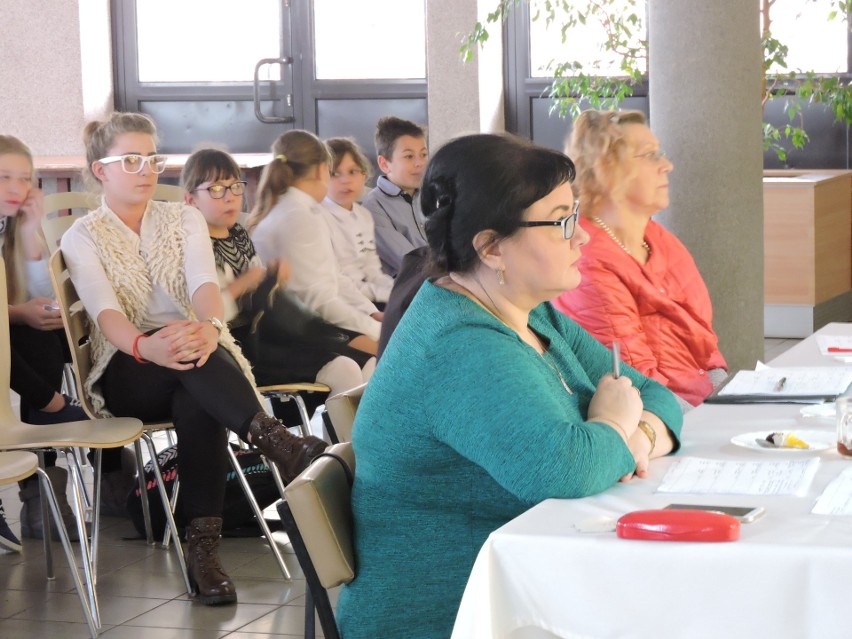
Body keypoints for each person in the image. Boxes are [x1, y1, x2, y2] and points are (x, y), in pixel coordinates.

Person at [336, 133, 683, 639]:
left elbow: (656, 397)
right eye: (562, 220)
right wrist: (611, 423)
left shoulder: (532, 313)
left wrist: (635, 438)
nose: (582, 236)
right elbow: (564, 470)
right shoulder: (458, 344)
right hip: (451, 616)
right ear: (492, 246)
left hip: (525, 594)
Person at [60, 112, 327, 606]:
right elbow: (105, 315)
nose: (146, 169)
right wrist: (147, 345)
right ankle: (282, 447)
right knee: (191, 365)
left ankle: (204, 556)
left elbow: (206, 284)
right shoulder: (82, 235)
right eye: (131, 159)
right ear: (102, 169)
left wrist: (209, 328)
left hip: (194, 349)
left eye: (152, 158)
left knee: (194, 393)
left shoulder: (181, 217)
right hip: (127, 364)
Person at [552, 109, 727, 410]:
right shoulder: (588, 261)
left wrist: (733, 394)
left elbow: (706, 347)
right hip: (665, 420)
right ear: (607, 168)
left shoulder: (659, 239)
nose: (667, 165)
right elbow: (637, 386)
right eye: (651, 155)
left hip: (705, 399)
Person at [181, 147, 374, 397]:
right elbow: (202, 315)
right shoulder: (193, 245)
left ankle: (359, 431)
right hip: (240, 346)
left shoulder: (239, 234)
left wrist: (272, 277)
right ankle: (350, 428)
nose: (229, 197)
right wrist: (244, 285)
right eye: (216, 189)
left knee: (365, 363)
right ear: (190, 200)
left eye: (235, 187)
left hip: (273, 334)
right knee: (344, 365)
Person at [0, 134, 91, 548]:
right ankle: (53, 407)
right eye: (4, 178)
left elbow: (34, 291)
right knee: (29, 332)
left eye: (24, 179)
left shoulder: (8, 223)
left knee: (46, 332)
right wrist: (20, 313)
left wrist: (30, 232)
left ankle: (44, 489)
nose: (16, 189)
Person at [248, 130, 382, 352]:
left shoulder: (297, 209)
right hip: (298, 332)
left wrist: (370, 312)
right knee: (398, 359)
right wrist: (378, 330)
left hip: (309, 322)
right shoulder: (298, 216)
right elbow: (320, 300)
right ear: (322, 170)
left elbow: (334, 278)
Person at [322, 137, 393, 305]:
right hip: (337, 302)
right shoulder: (318, 217)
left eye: (353, 171)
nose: (346, 180)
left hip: (369, 296)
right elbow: (337, 283)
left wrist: (396, 290)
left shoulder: (363, 215)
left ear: (363, 174)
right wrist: (385, 295)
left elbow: (372, 270)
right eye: (334, 174)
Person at [361, 116, 428, 276]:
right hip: (411, 292)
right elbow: (410, 263)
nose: (420, 163)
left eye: (424, 154)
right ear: (384, 164)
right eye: (409, 156)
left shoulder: (432, 196)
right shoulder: (374, 207)